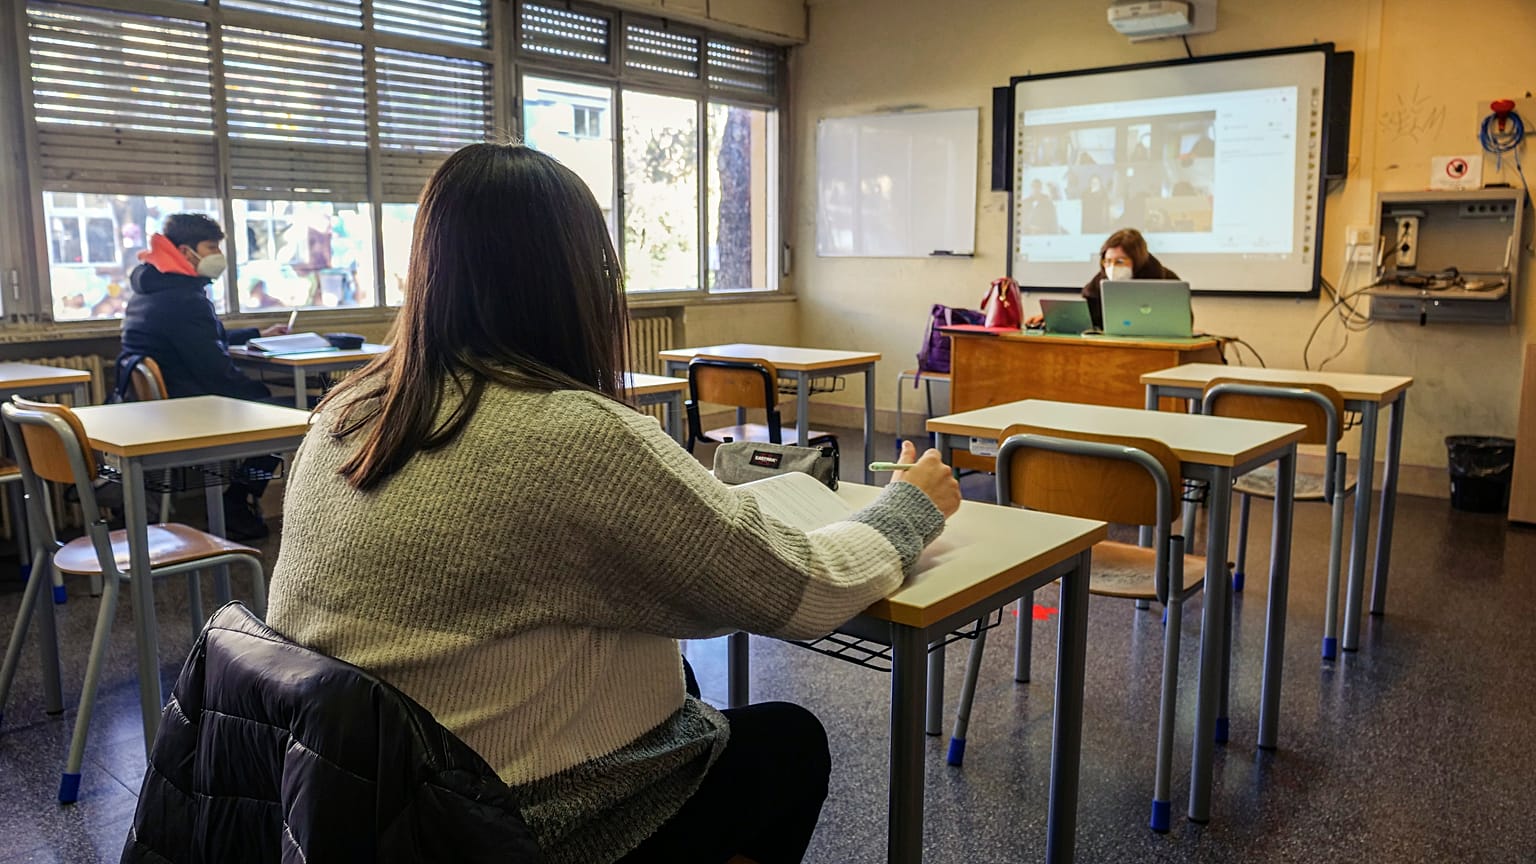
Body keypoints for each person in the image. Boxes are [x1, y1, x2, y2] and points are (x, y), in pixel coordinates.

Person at [265, 143, 961, 864]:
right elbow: (802, 590)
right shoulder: (574, 435)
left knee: (678, 680)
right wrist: (908, 507)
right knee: (788, 743)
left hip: (339, 807)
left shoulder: (345, 415)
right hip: (499, 828)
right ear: (578, 282)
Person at [117, 213, 290, 539]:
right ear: (185, 251)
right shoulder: (185, 299)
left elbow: (202, 336)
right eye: (211, 246)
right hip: (192, 408)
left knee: (267, 402)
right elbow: (217, 373)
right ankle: (236, 504)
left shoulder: (152, 288)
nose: (218, 255)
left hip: (160, 408)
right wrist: (259, 392)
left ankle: (236, 503)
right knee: (285, 414)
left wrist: (256, 333)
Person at [1026, 227, 1179, 330]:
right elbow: (1087, 316)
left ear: (1137, 261)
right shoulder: (1099, 283)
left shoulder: (1166, 281)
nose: (1112, 267)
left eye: (1120, 261)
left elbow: (1179, 325)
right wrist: (1054, 318)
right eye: (1107, 261)